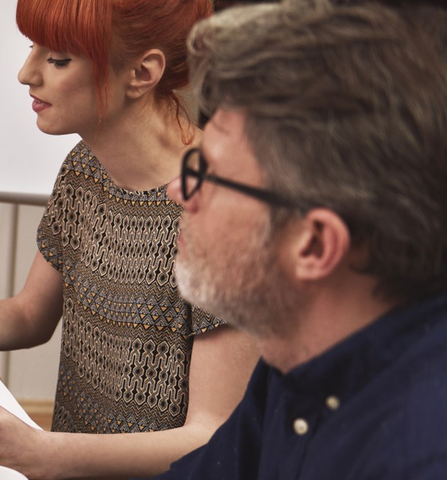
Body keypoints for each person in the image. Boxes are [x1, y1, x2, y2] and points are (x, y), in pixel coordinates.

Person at [0, 0, 260, 477]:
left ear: (142, 72)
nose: (26, 73)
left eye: (58, 59)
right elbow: (28, 314)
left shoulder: (224, 208)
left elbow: (212, 436)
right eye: (32, 49)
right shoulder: (85, 168)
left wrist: (43, 453)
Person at [151, 2, 447, 478]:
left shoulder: (418, 455)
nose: (178, 191)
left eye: (209, 173)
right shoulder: (298, 348)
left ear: (313, 246)